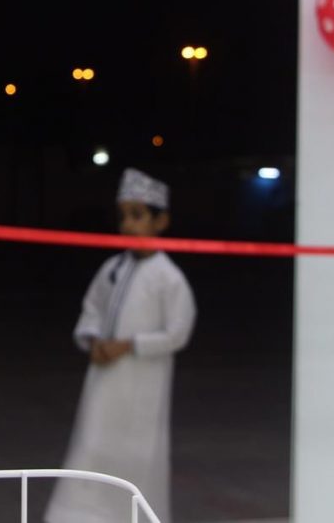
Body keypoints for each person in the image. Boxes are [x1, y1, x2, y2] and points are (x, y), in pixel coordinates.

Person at [46, 168, 197, 523]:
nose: (128, 225)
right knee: (92, 442)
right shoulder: (112, 267)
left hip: (144, 383)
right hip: (103, 378)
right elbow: (92, 309)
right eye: (124, 216)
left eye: (137, 216)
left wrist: (130, 345)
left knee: (138, 452)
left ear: (161, 221)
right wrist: (92, 339)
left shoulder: (169, 278)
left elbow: (178, 332)